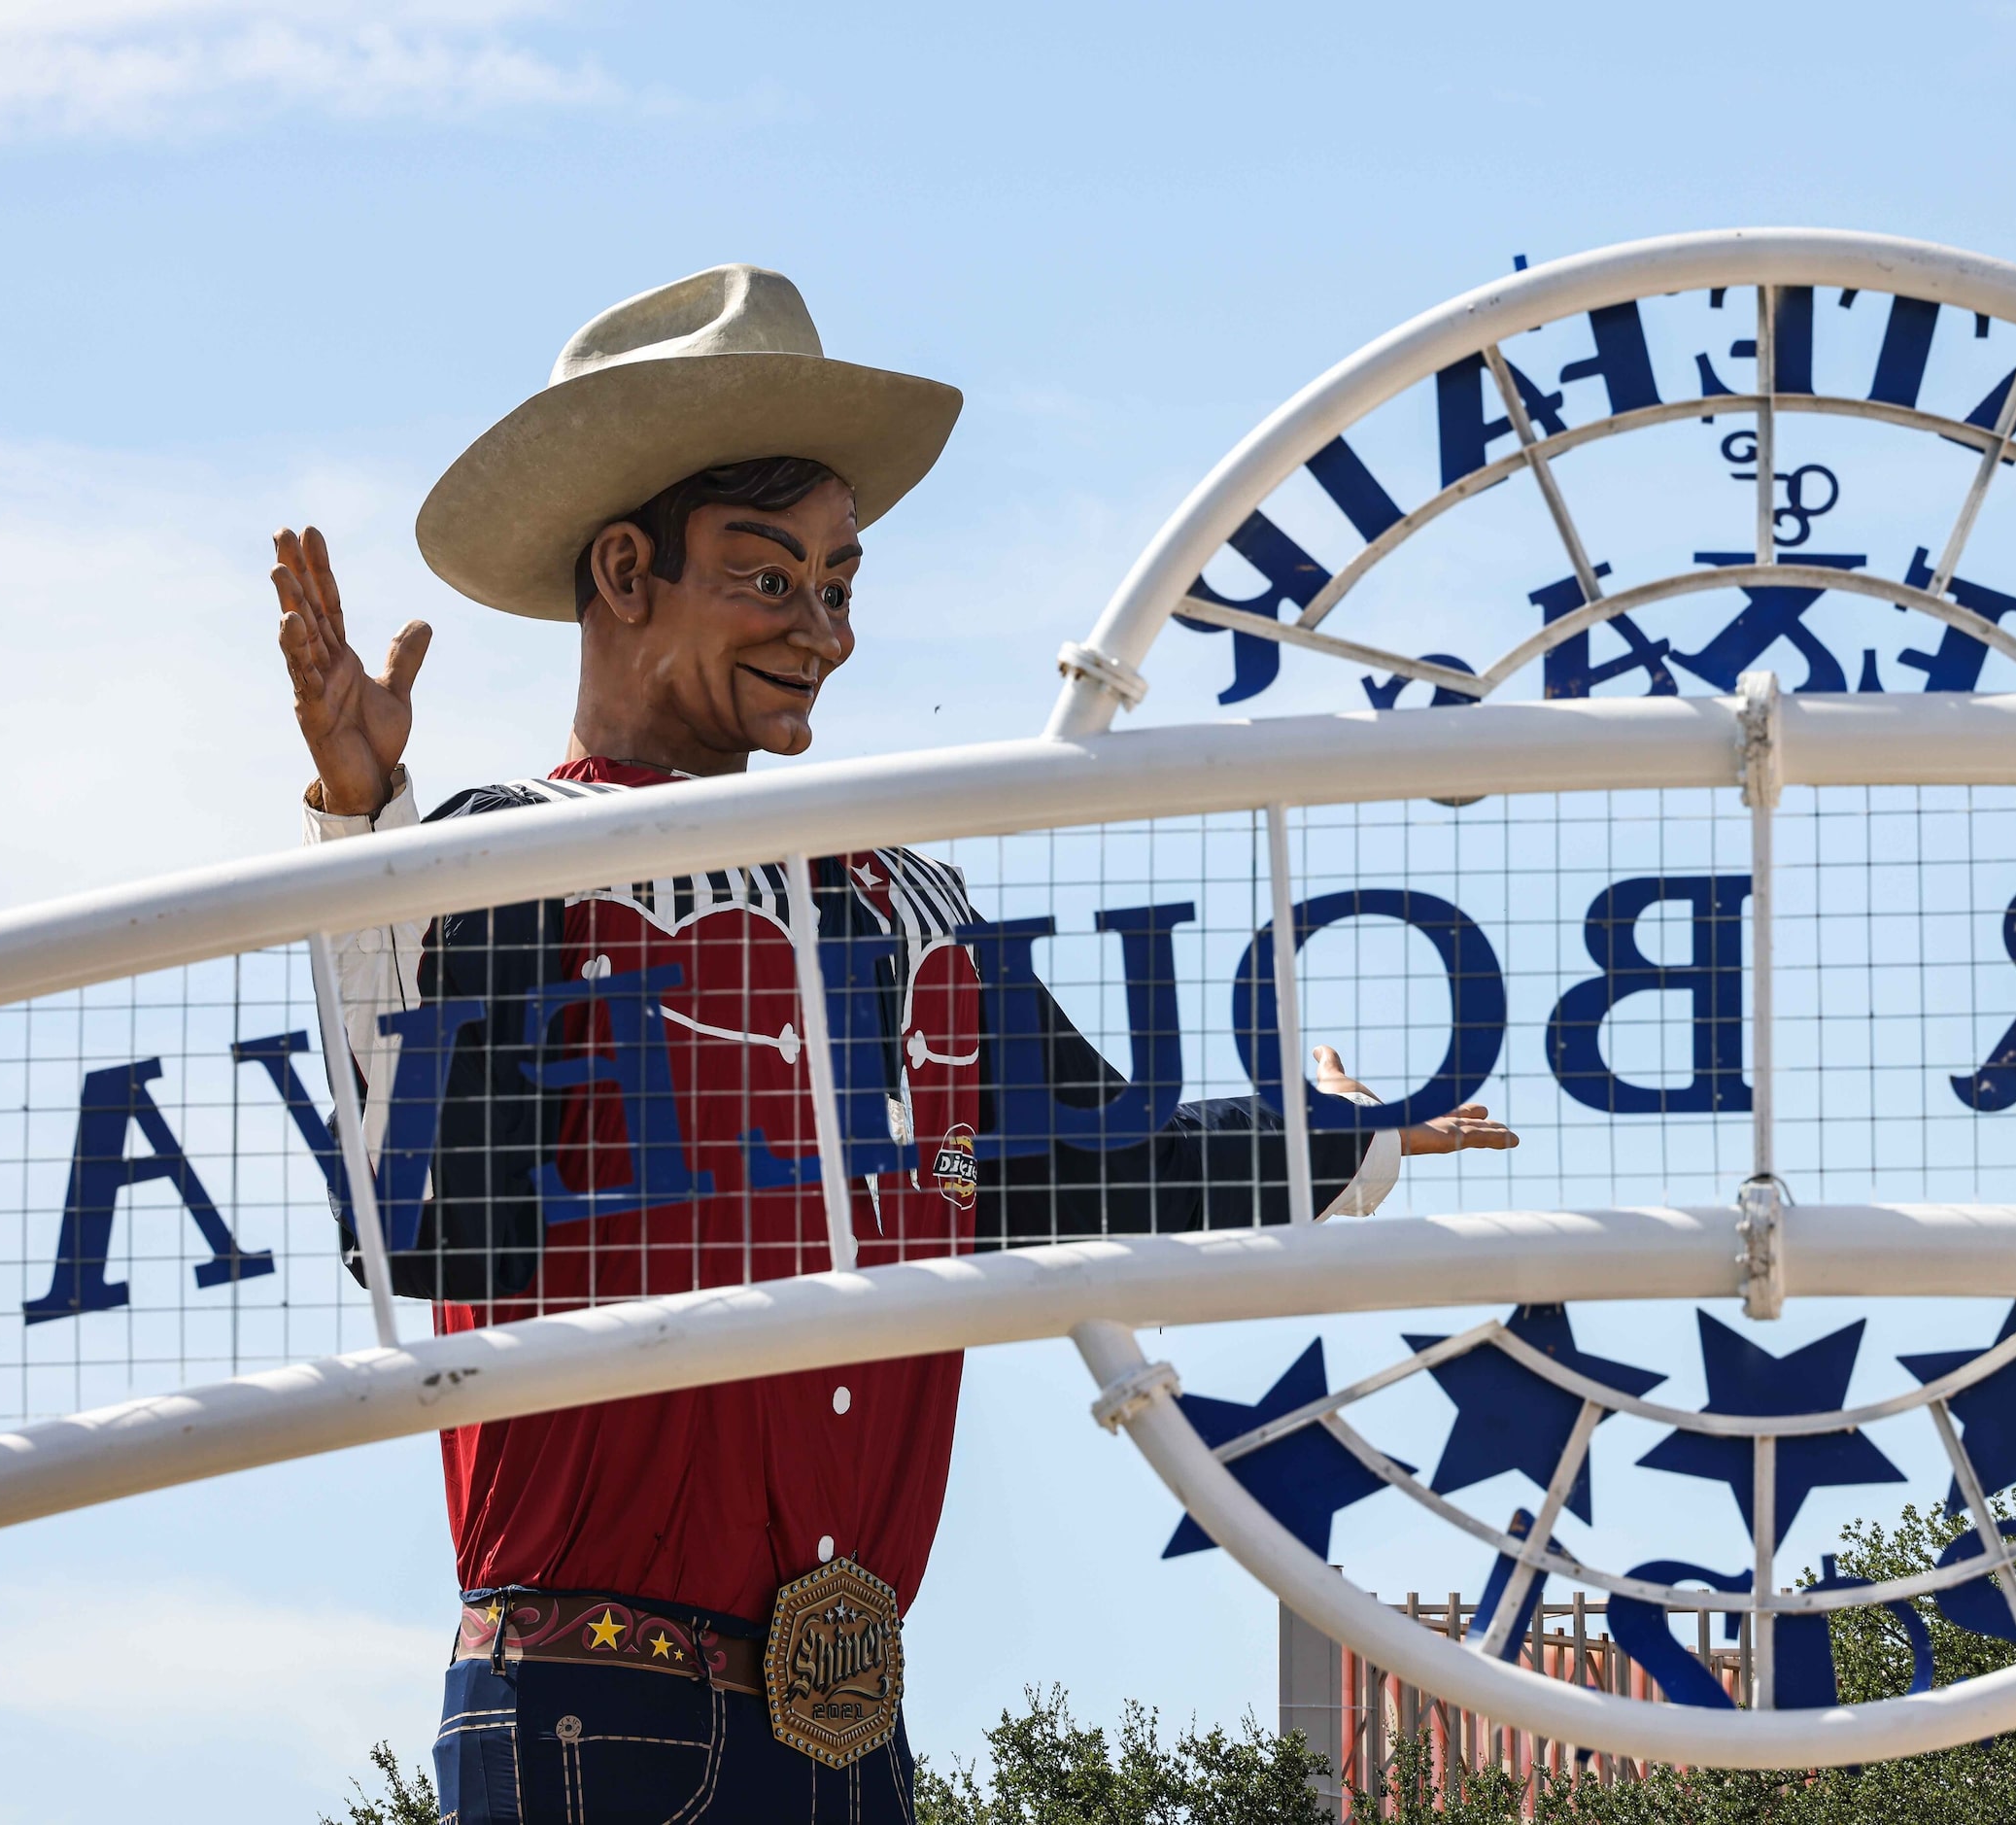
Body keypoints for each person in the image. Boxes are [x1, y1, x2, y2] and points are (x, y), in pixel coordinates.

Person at [277, 264, 1515, 1824]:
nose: (823, 632)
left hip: (851, 1733)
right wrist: (366, 840)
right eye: (768, 576)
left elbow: (1074, 1166)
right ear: (623, 568)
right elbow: (422, 1221)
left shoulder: (906, 891)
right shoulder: (524, 856)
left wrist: (1348, 1140)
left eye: (839, 585)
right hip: (593, 1711)